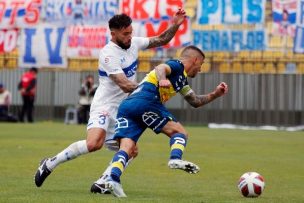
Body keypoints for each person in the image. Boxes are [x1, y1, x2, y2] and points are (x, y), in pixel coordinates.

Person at [34, 8, 187, 194]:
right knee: (94, 143)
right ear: (113, 34)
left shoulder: (134, 43)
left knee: (132, 150)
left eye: (131, 32)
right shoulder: (108, 54)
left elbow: (161, 39)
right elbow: (124, 84)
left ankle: (104, 181)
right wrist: (148, 89)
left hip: (122, 109)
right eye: (125, 34)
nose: (130, 37)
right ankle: (50, 163)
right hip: (104, 106)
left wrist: (176, 24)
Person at [103, 45, 228, 197]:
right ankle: (175, 158)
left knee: (127, 148)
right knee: (180, 132)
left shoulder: (182, 80)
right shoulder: (177, 65)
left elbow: (194, 101)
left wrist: (216, 94)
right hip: (146, 100)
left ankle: (113, 179)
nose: (200, 69)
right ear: (195, 60)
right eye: (201, 65)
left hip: (128, 106)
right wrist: (162, 80)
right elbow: (161, 68)